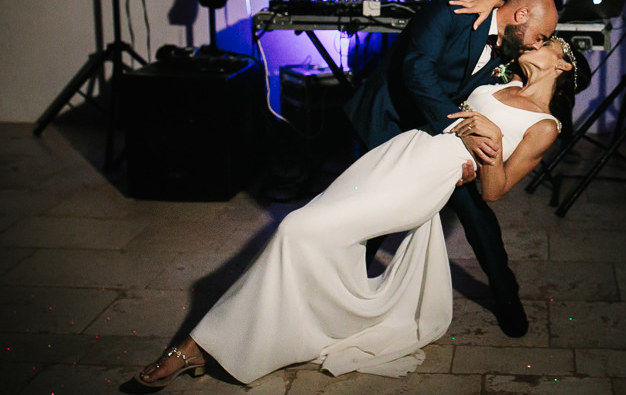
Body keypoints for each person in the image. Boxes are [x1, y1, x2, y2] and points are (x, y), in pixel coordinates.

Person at [136, 36, 588, 388]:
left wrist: (488, 141)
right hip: (402, 151)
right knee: (316, 231)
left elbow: (495, 191)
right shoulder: (502, 82)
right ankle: (304, 320)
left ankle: (197, 346)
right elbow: (452, 107)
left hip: (423, 181)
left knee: (297, 227)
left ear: (563, 63)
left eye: (547, 43)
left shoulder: (544, 127)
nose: (535, 42)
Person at [344, 0, 556, 339]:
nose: (537, 45)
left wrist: (469, 154)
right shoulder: (449, 12)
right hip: (388, 119)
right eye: (541, 36)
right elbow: (417, 72)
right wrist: (460, 131)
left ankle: (505, 294)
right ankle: (348, 296)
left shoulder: (512, 49)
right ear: (521, 17)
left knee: (474, 211)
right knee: (371, 214)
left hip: (438, 133)